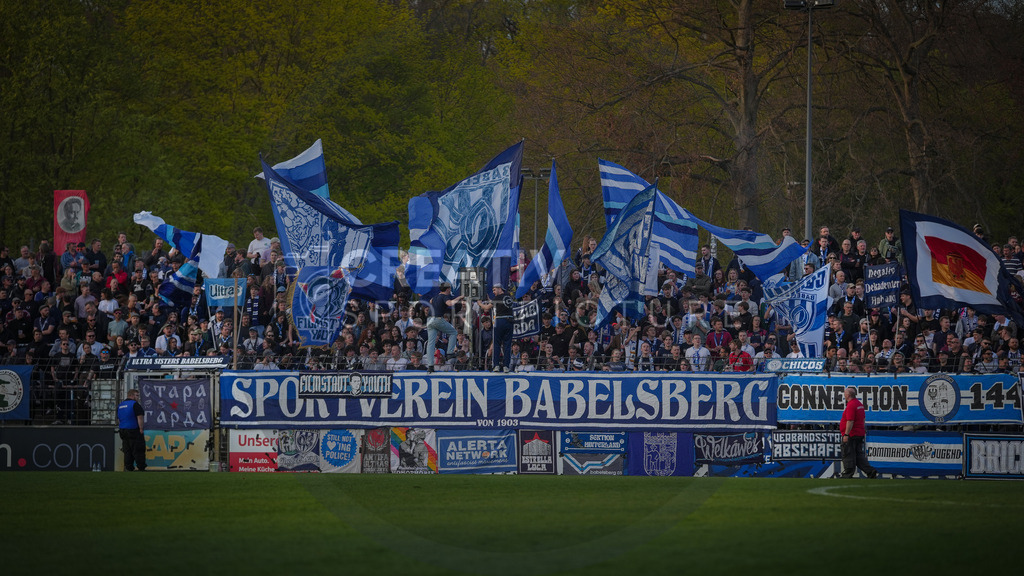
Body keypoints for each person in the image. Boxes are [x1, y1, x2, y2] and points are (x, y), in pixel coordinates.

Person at [839, 386, 878, 479]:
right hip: (859, 433)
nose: (844, 395)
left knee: (848, 454)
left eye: (845, 394)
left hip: (852, 434)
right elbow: (863, 419)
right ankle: (870, 471)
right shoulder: (859, 404)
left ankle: (848, 474)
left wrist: (846, 434)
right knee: (859, 456)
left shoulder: (851, 405)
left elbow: (850, 421)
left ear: (848, 395)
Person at [425, 282, 462, 373]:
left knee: (431, 343)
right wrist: (460, 297)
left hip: (429, 320)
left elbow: (430, 301)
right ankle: (450, 352)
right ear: (448, 289)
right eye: (450, 289)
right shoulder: (444, 296)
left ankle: (430, 366)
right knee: (453, 332)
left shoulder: (436, 297)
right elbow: (450, 303)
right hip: (437, 319)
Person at [479, 284, 514, 372]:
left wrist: (479, 303)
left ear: (499, 289)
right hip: (510, 321)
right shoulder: (509, 297)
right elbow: (499, 303)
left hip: (500, 321)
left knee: (496, 343)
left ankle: (496, 365)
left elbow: (486, 307)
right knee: (507, 345)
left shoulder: (497, 298)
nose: (494, 292)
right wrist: (490, 300)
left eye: (494, 290)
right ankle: (506, 366)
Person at [117, 389, 146, 472]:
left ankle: (128, 467)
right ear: (132, 395)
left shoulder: (120, 405)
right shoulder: (135, 405)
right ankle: (141, 467)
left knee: (127, 450)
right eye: (137, 395)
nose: (138, 397)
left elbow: (119, 419)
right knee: (138, 449)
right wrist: (141, 428)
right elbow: (139, 417)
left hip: (123, 430)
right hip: (133, 430)